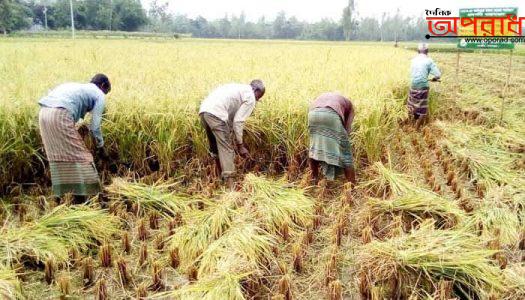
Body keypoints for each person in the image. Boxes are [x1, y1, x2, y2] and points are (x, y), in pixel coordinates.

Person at [38, 74, 111, 204]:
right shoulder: (99, 94)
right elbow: (95, 126)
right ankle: (93, 196)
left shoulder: (75, 86)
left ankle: (64, 195)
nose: (104, 95)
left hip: (44, 114)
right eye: (106, 92)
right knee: (83, 157)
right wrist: (101, 146)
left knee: (57, 154)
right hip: (60, 115)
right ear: (103, 86)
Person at [199, 80, 265, 188]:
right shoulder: (250, 96)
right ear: (256, 90)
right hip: (217, 114)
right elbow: (238, 121)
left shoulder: (237, 88)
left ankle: (221, 179)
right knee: (227, 149)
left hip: (204, 112)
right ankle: (231, 189)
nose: (257, 100)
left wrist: (231, 133)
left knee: (216, 148)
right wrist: (240, 145)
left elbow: (230, 118)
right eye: (258, 97)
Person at [308, 92, 356, 184]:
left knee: (314, 147)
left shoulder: (327, 97)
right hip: (331, 114)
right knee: (346, 154)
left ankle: (313, 179)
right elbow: (347, 129)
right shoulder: (350, 107)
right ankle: (352, 188)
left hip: (312, 114)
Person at [408, 43, 441, 129]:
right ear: (427, 51)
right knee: (422, 109)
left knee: (412, 105)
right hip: (423, 87)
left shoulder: (413, 60)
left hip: (413, 85)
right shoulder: (429, 61)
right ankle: (416, 129)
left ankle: (410, 125)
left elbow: (412, 73)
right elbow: (438, 75)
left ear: (418, 51)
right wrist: (434, 79)